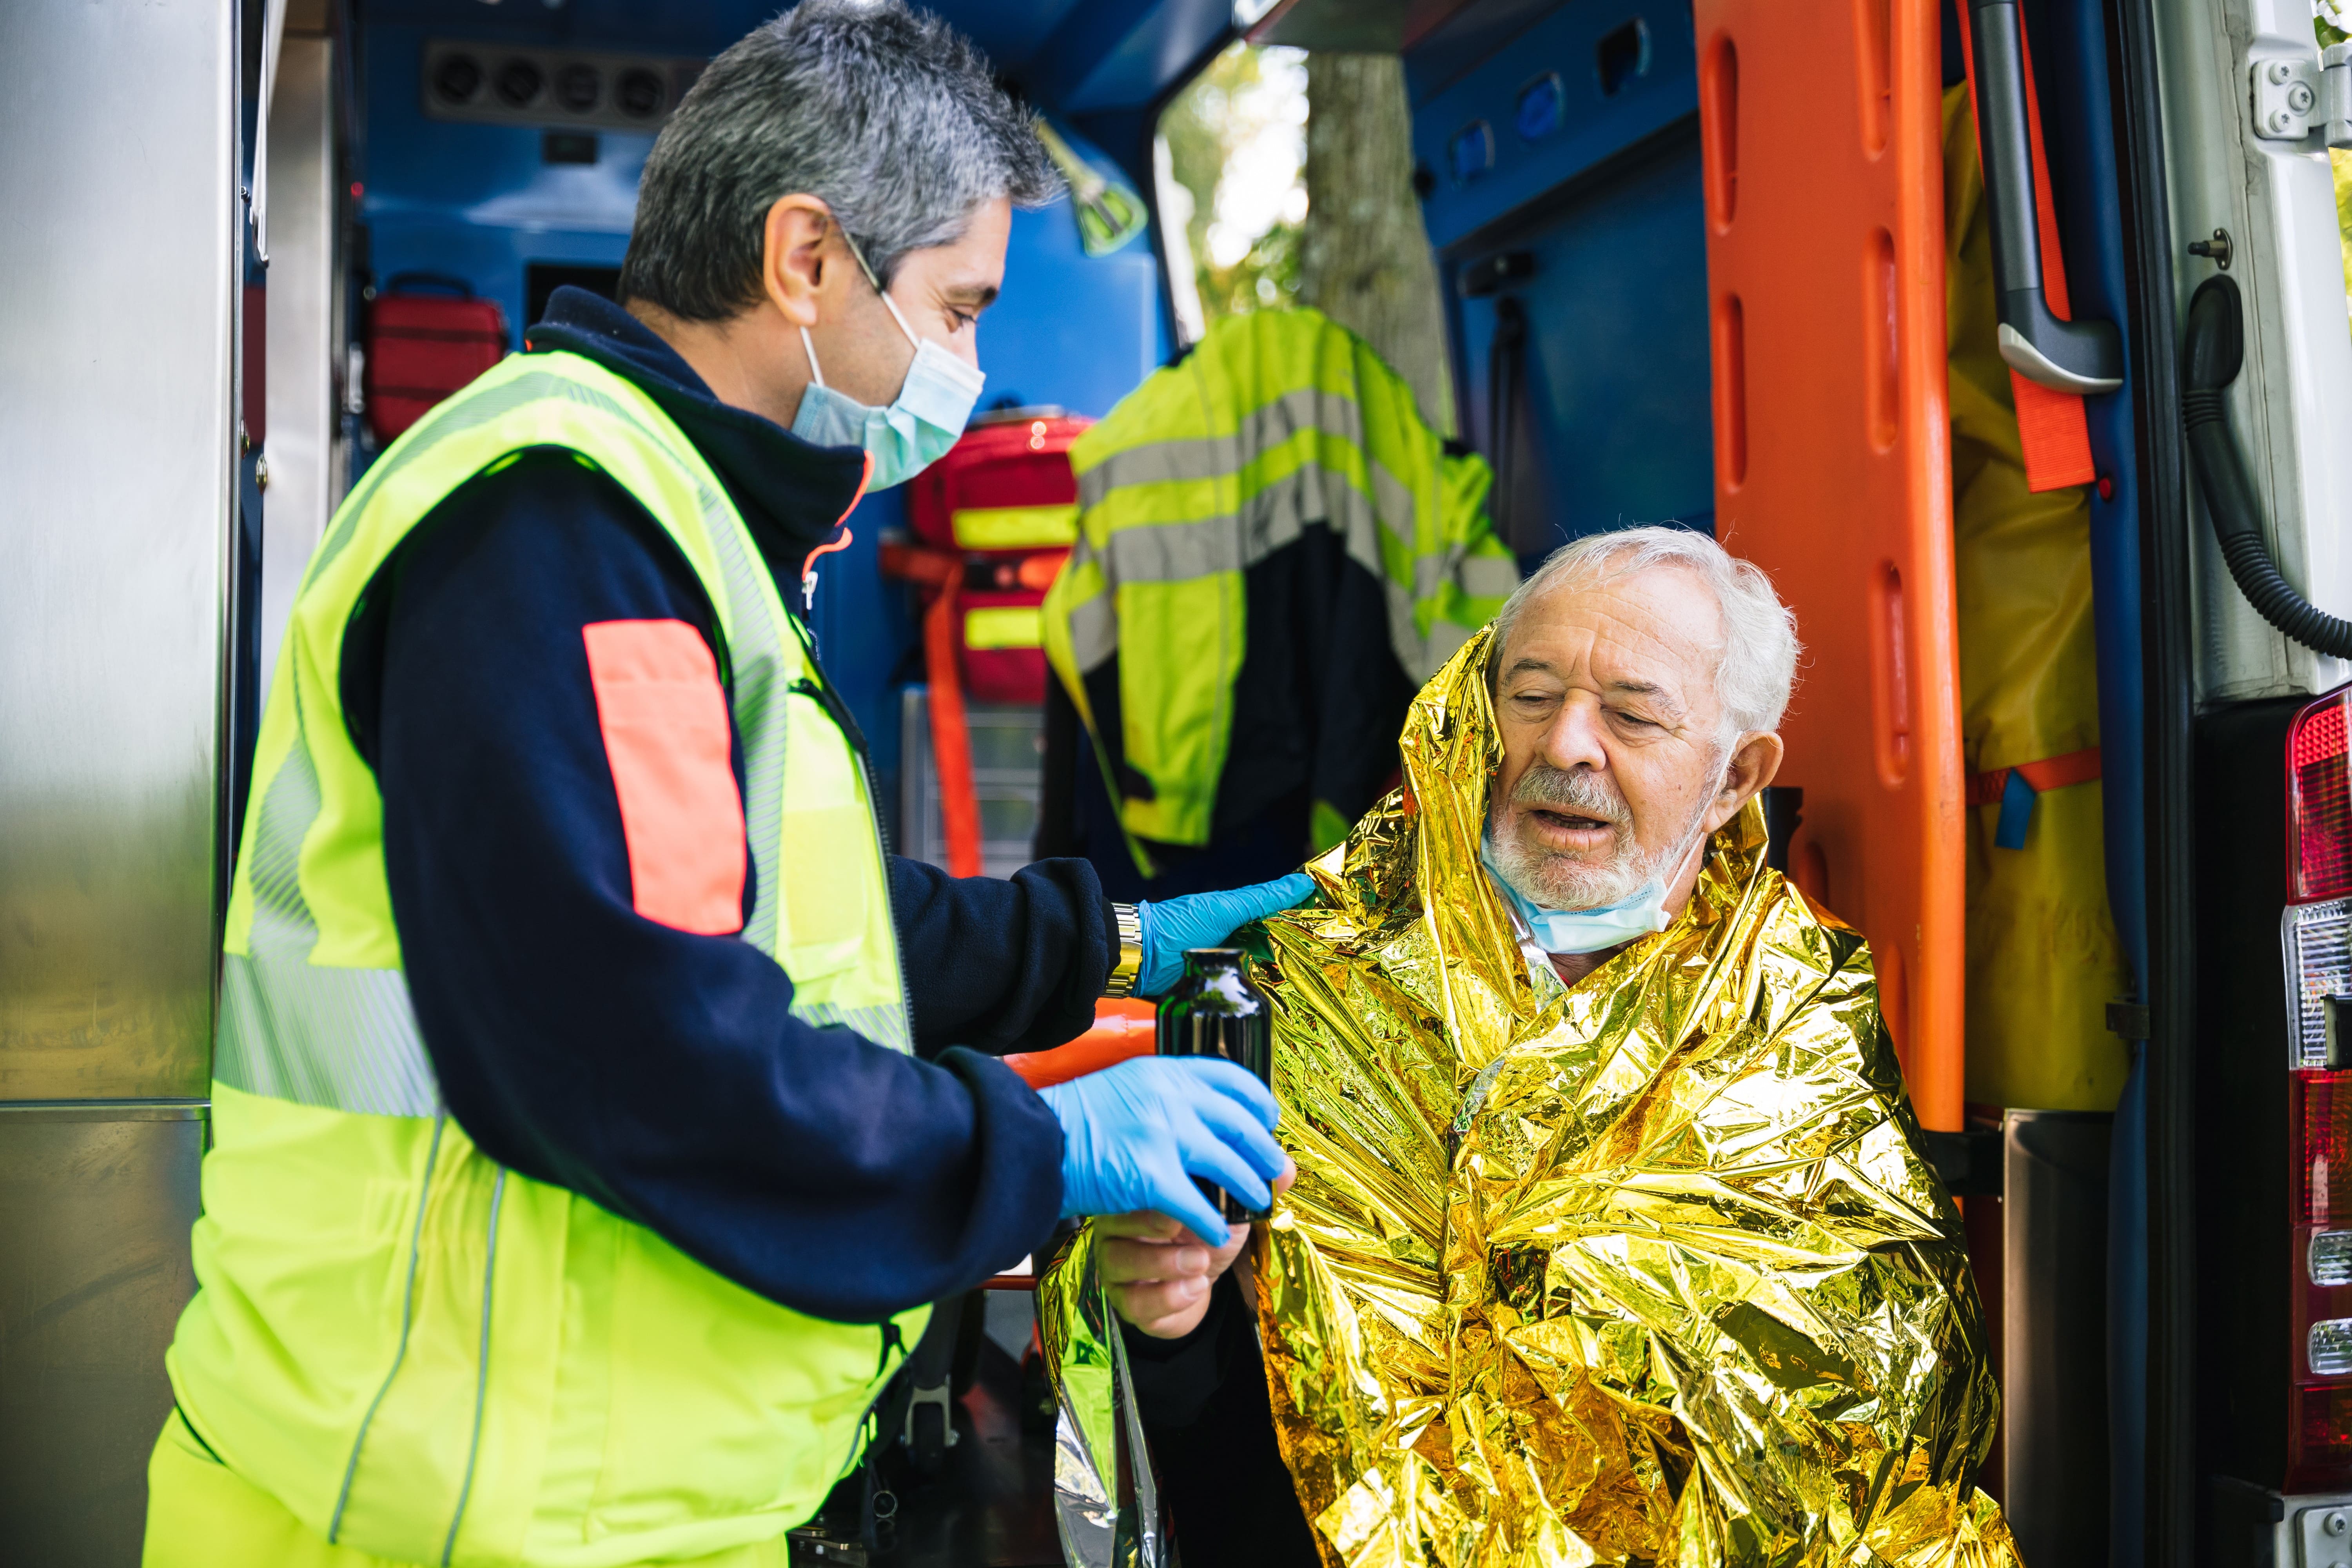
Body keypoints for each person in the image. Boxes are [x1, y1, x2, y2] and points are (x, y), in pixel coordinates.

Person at [143, 6, 1306, 1565]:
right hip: (443, 1514)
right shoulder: (567, 525)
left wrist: (1113, 942)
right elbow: (639, 1045)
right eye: (958, 309)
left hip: (595, 1499)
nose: (971, 368)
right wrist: (1036, 1152)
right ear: (807, 259)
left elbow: (791, 918)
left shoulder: (675, 516)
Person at [1053, 526, 2018, 1567]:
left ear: (1736, 778)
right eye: (1530, 696)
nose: (1566, 746)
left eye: (1633, 715)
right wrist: (1171, 1317)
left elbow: (1865, 1432)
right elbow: (1190, 1439)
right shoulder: (1308, 983)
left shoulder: (1794, 1018)